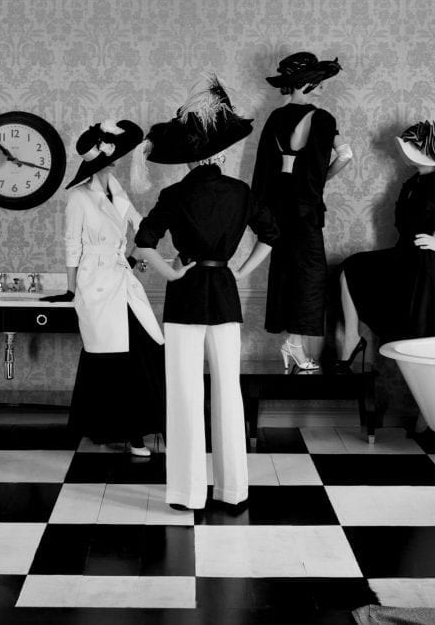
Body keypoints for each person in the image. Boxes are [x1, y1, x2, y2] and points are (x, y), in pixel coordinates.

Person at [133, 76, 278, 511]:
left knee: (184, 393)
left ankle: (188, 493)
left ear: (190, 159)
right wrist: (240, 269)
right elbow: (271, 236)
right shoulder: (240, 192)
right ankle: (233, 491)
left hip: (185, 297)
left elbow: (143, 242)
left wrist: (171, 274)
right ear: (221, 154)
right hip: (225, 294)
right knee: (228, 392)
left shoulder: (174, 194)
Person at [50, 119, 165, 456]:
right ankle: (116, 431)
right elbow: (72, 244)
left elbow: (142, 226)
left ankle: (142, 428)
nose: (116, 161)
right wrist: (71, 290)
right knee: (110, 359)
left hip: (121, 279)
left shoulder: (117, 189)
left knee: (144, 349)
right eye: (111, 156)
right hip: (95, 284)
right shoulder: (78, 197)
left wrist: (139, 254)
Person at [339, 121, 435, 369]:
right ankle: (351, 339)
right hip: (402, 255)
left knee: (421, 333)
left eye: (416, 148)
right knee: (350, 267)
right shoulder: (413, 181)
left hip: (423, 264)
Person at [251, 52, 354, 372]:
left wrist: (259, 212)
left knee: (285, 271)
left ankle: (292, 343)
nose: (323, 86)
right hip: (304, 208)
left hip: (277, 207)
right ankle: (294, 344)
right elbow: (345, 155)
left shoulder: (275, 117)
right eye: (319, 81)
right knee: (310, 275)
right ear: (306, 82)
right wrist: (320, 182)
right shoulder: (321, 118)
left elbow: (263, 169)